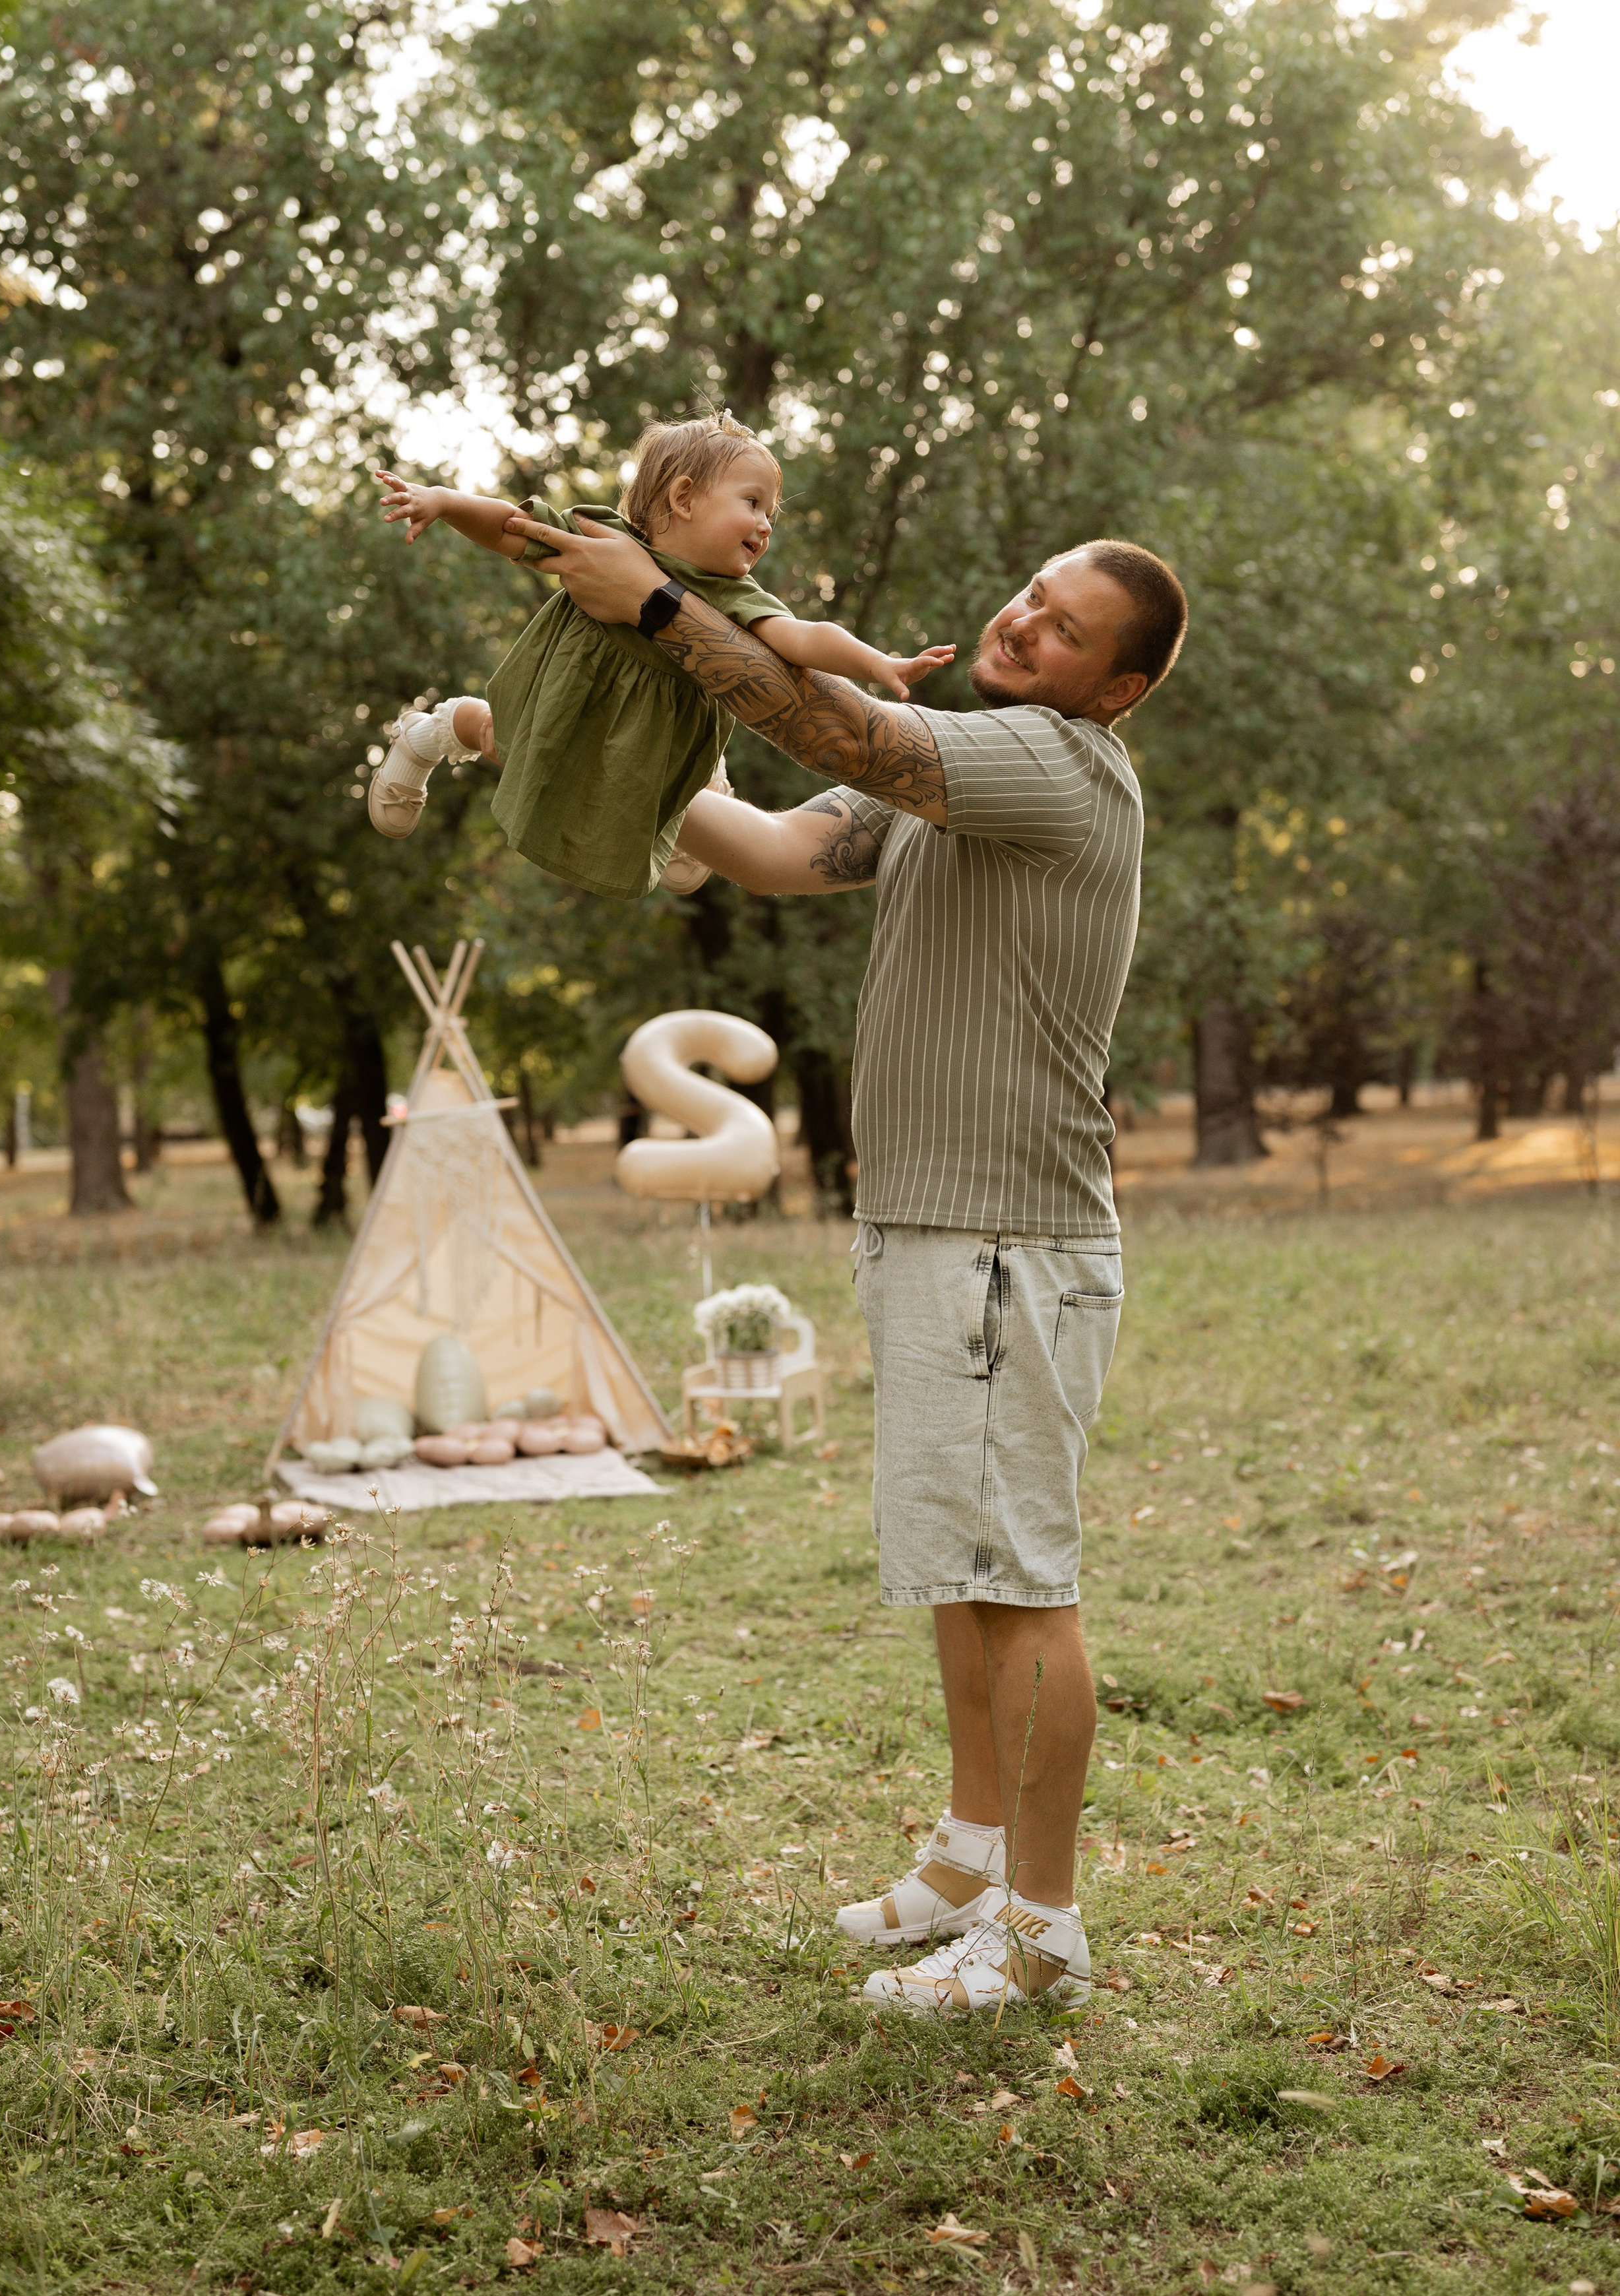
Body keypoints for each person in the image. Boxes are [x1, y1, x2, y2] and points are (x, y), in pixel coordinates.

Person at [501, 504, 1186, 2019]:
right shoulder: (956, 774)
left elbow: (837, 725)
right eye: (1028, 591)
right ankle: (965, 1854)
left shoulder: (1050, 764)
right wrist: (549, 728)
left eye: (1066, 627)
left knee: (1018, 1577)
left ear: (1113, 688)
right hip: (941, 1226)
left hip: (1007, 1237)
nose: (1022, 623)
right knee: (962, 1563)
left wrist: (659, 608)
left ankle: (1039, 1924)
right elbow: (764, 838)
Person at [364, 413, 952, 899]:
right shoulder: (602, 542)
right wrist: (443, 500)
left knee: (664, 781)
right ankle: (431, 732)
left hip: (672, 731)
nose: (766, 524)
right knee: (502, 739)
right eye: (753, 503)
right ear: (684, 497)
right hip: (568, 699)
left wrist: (877, 663)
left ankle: (685, 809)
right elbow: (514, 527)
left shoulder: (730, 595)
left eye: (771, 513)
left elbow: (804, 638)